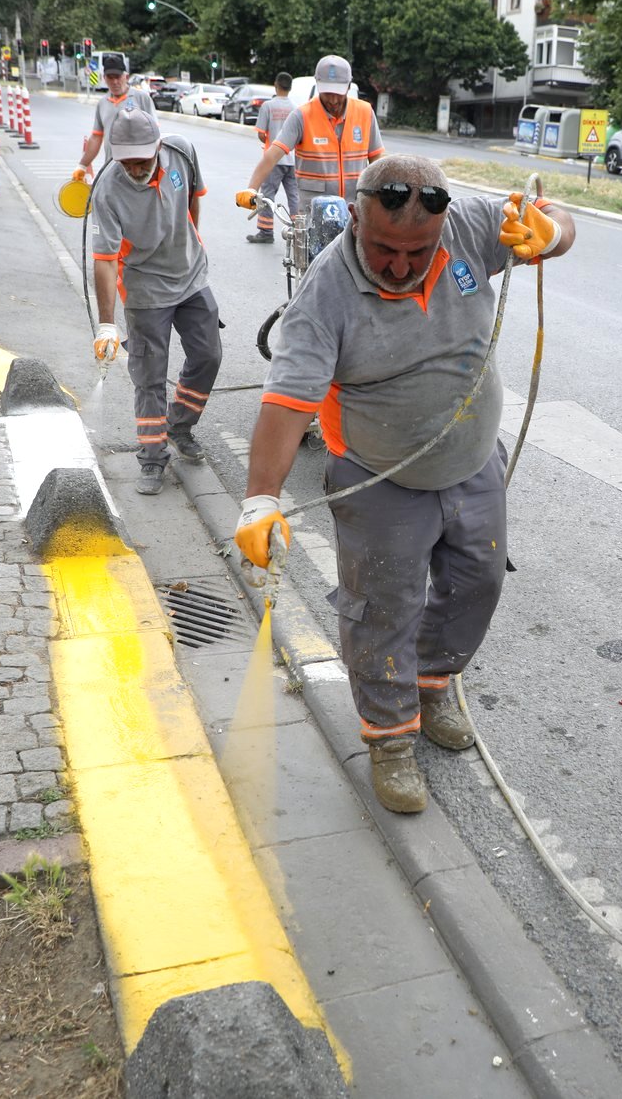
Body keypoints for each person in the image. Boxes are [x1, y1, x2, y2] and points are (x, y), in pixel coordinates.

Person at [232, 156, 575, 814]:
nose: (397, 265)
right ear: (356, 216)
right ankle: (389, 738)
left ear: (441, 228)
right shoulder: (324, 294)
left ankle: (433, 680)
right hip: (379, 476)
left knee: (480, 581)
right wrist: (260, 498)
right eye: (382, 247)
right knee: (383, 607)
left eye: (415, 251)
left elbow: (558, 217)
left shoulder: (470, 225)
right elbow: (285, 404)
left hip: (473, 462)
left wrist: (550, 234)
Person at [90, 109, 222, 495]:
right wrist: (106, 323)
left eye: (141, 161)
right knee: (149, 377)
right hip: (145, 290)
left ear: (158, 147)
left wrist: (190, 245)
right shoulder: (108, 190)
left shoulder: (182, 153)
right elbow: (104, 261)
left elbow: (193, 203)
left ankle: (179, 425)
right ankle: (151, 458)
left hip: (191, 277)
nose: (134, 168)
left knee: (208, 355)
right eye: (126, 161)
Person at [236, 55, 383, 217]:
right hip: (313, 213)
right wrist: (251, 188)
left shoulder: (365, 112)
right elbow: (272, 154)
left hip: (354, 210)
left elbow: (378, 157)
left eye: (338, 93)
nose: (333, 100)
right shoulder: (302, 115)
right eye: (327, 93)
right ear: (318, 86)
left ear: (348, 86)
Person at [74, 53, 157, 182]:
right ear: (104, 78)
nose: (115, 82)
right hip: (113, 170)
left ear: (126, 76)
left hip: (137, 170)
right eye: (110, 77)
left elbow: (154, 134)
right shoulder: (102, 103)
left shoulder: (141, 98)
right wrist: (82, 165)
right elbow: (96, 137)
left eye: (118, 77)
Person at [247, 72, 299, 245]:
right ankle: (299, 229)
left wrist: (270, 141)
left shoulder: (268, 106)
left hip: (273, 160)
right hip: (291, 160)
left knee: (268, 195)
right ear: (290, 87)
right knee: (294, 196)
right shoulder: (296, 107)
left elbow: (262, 134)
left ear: (276, 85)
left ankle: (266, 231)